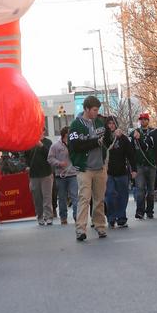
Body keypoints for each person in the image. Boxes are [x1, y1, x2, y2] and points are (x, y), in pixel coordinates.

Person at [68, 95, 109, 241]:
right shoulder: (76, 125)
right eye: (94, 110)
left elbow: (107, 140)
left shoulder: (99, 122)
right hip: (84, 168)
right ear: (86, 109)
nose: (96, 112)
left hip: (100, 167)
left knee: (99, 199)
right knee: (84, 198)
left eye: (98, 110)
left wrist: (113, 130)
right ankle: (80, 229)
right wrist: (95, 142)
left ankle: (100, 226)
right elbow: (76, 146)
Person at [104, 116, 136, 228]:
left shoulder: (123, 139)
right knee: (110, 195)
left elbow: (131, 154)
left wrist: (134, 169)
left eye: (113, 123)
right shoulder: (104, 137)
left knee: (122, 196)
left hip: (122, 171)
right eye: (109, 123)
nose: (111, 125)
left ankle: (121, 218)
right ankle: (111, 217)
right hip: (108, 172)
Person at [48, 127, 78, 225]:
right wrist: (59, 163)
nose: (68, 137)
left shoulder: (74, 144)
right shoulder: (55, 146)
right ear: (63, 135)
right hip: (60, 176)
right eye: (66, 136)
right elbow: (50, 158)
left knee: (75, 196)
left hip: (73, 174)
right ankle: (63, 217)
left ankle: (77, 216)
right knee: (62, 197)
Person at [24, 132, 54, 226]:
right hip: (34, 175)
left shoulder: (48, 142)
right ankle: (40, 217)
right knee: (37, 198)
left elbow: (50, 155)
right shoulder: (29, 143)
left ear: (43, 131)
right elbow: (25, 157)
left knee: (47, 196)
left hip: (46, 173)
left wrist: (42, 146)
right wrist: (26, 166)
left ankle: (48, 217)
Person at [131, 113, 157, 218]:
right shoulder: (134, 132)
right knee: (140, 188)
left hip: (151, 164)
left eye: (145, 119)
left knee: (151, 189)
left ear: (148, 120)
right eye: (141, 119)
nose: (143, 121)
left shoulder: (154, 132)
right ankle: (140, 211)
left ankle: (150, 210)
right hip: (139, 165)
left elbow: (151, 146)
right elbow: (131, 149)